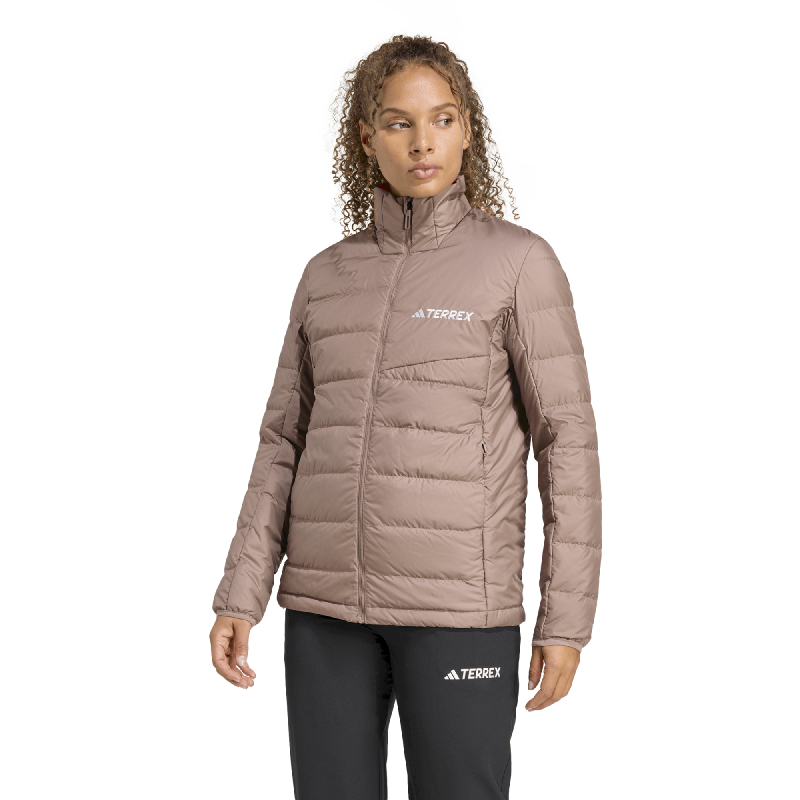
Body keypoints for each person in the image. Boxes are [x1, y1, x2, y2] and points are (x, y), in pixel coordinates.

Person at [209, 34, 601, 800]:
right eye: (399, 122)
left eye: (442, 119)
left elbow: (568, 445)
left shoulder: (518, 263)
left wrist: (565, 619)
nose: (423, 142)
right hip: (325, 610)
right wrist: (240, 594)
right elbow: (282, 442)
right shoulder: (326, 275)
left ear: (467, 129)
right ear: (366, 137)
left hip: (458, 609)